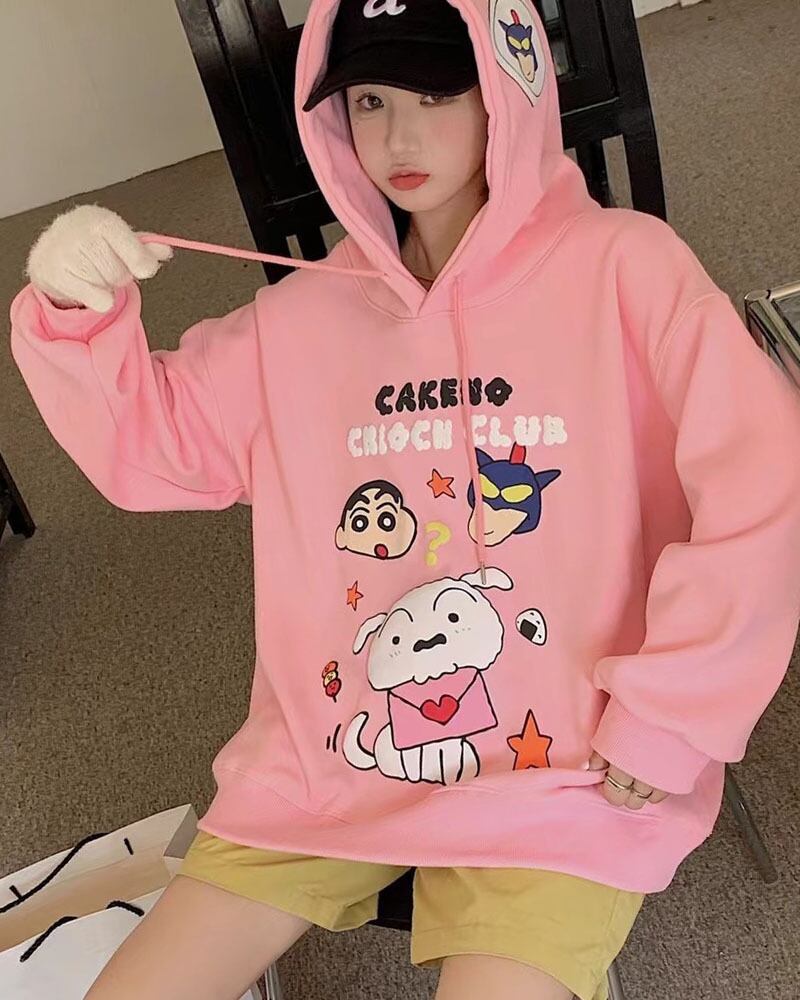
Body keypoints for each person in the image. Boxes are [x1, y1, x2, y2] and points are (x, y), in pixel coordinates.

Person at [9, 0, 800, 998]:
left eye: (437, 95)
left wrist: (673, 710)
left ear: (506, 91)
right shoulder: (301, 316)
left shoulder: (624, 269)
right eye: (371, 101)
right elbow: (155, 450)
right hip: (330, 769)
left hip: (564, 773)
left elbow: (765, 479)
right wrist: (74, 312)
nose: (399, 138)